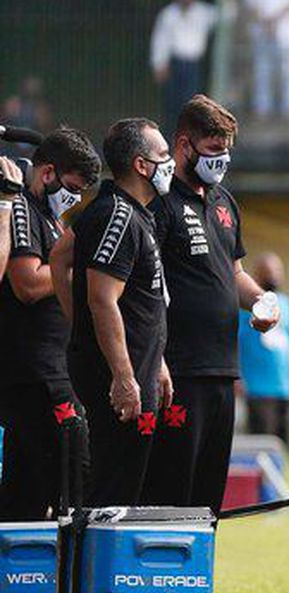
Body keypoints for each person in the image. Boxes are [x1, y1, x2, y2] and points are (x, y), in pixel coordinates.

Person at [139, 95, 276, 514]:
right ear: (184, 146)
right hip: (179, 369)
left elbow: (233, 274)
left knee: (208, 497)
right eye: (214, 150)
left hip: (222, 370)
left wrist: (261, 299)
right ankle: (164, 577)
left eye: (226, 150)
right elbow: (144, 285)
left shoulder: (224, 203)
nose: (222, 159)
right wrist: (155, 359)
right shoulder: (160, 204)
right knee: (172, 486)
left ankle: (198, 578)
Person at [67, 118, 173, 507]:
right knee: (109, 493)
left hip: (142, 373)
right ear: (142, 165)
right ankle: (90, 569)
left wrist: (156, 362)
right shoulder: (116, 214)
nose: (170, 162)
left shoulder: (141, 213)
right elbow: (102, 299)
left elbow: (140, 301)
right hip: (117, 384)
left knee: (129, 488)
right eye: (163, 155)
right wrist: (124, 377)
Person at [0, 129, 101, 521]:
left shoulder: (52, 220)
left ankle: (25, 578)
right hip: (35, 373)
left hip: (51, 369)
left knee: (26, 492)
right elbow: (25, 282)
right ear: (47, 173)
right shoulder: (21, 207)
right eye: (71, 188)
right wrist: (83, 275)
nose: (73, 198)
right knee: (75, 470)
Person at [239, 253, 289, 443]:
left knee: (282, 443)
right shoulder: (246, 305)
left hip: (283, 386)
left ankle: (279, 475)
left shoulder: (285, 303)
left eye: (277, 271)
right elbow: (234, 339)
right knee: (262, 441)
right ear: (257, 274)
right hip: (257, 386)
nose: (273, 276)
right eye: (268, 272)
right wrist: (237, 377)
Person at [150, 0, 218, 131]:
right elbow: (160, 40)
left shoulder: (204, 12)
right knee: (172, 102)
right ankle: (170, 133)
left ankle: (189, 133)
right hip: (175, 63)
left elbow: (225, 17)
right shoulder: (168, 14)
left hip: (193, 65)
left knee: (191, 101)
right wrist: (159, 64)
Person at [245, 0, 289, 119]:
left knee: (288, 72)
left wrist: (274, 21)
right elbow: (251, 5)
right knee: (261, 71)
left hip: (286, 31)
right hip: (261, 30)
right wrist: (266, 23)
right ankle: (262, 106)